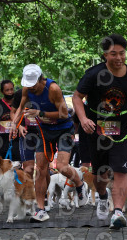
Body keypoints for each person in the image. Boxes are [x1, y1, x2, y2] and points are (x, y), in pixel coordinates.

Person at [73, 34, 127, 229]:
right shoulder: (93, 74)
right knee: (100, 174)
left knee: (121, 170)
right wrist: (83, 119)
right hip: (96, 128)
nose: (119, 58)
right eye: (114, 54)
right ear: (105, 55)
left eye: (122, 53)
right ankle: (102, 197)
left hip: (122, 128)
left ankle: (118, 212)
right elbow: (77, 97)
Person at [11, 64, 83, 223]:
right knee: (41, 168)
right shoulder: (26, 89)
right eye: (28, 85)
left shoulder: (53, 89)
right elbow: (20, 107)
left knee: (61, 167)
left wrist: (40, 113)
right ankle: (40, 209)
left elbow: (65, 114)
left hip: (64, 130)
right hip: (44, 131)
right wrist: (14, 125)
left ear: (40, 79)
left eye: (33, 85)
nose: (31, 89)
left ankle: (79, 182)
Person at [0, 80, 21, 164]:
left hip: (15, 142)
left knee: (16, 168)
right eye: (7, 90)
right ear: (2, 91)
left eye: (11, 89)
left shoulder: (19, 105)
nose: (10, 92)